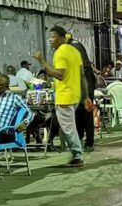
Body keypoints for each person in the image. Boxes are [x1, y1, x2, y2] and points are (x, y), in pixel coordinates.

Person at [33, 26, 88, 168]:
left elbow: (59, 75)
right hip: (75, 95)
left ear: (63, 37)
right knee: (70, 127)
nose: (50, 40)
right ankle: (77, 153)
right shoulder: (75, 51)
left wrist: (42, 61)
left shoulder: (60, 52)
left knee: (68, 129)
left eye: (54, 36)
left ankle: (78, 156)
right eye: (50, 37)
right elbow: (82, 75)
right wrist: (86, 96)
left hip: (65, 96)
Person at [70, 38, 97, 151]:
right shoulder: (86, 68)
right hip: (82, 93)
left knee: (85, 116)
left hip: (85, 94)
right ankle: (82, 140)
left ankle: (89, 142)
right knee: (80, 115)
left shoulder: (84, 69)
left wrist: (85, 97)